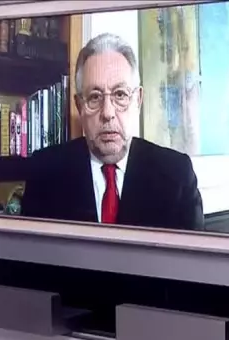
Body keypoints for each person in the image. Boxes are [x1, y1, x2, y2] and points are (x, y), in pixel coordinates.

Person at [21, 33, 204, 231]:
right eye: (94, 97)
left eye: (120, 94)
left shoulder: (178, 176)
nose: (108, 113)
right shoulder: (44, 172)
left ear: (138, 100)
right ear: (79, 106)